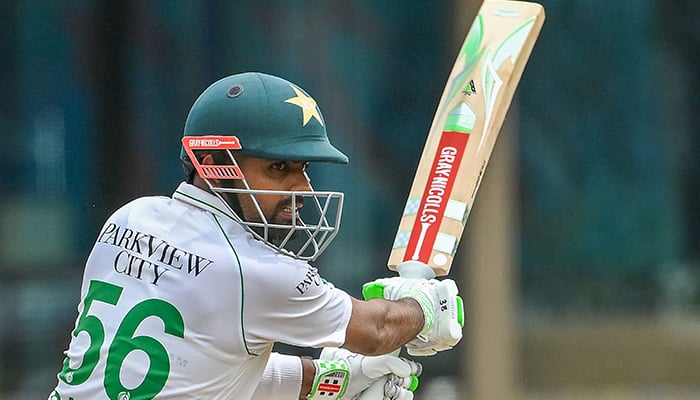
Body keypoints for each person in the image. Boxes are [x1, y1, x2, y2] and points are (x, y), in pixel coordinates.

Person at [49, 72, 463, 400]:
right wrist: (425, 306)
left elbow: (208, 371)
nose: (302, 188)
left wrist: (331, 377)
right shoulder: (256, 271)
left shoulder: (130, 218)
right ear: (212, 163)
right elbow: (376, 331)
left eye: (303, 168)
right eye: (279, 168)